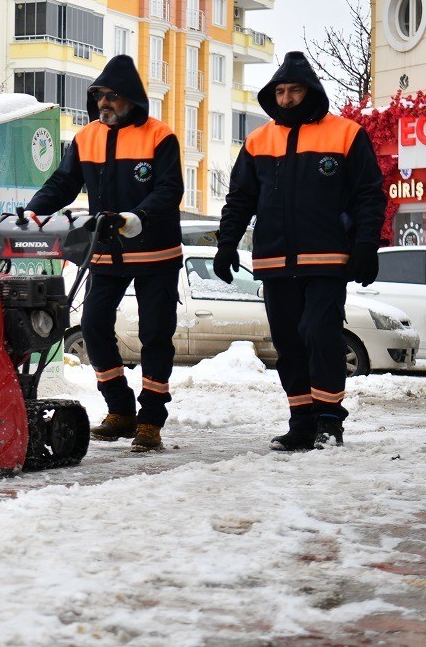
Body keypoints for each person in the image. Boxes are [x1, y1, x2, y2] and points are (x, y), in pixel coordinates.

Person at [215, 51, 386, 450]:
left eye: (294, 90)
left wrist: (366, 245)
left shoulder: (345, 133)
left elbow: (368, 195)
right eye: (280, 91)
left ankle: (329, 421)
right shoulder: (259, 140)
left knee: (319, 333)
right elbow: (240, 198)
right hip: (274, 261)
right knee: (288, 343)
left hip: (327, 259)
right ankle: (301, 422)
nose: (287, 97)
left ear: (310, 92)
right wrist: (226, 244)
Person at [27, 54, 184, 453]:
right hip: (106, 252)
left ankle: (150, 419)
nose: (103, 103)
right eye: (98, 96)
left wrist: (138, 216)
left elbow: (169, 189)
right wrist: (34, 208)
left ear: (130, 98)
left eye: (111, 97)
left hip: (154, 253)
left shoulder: (159, 136)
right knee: (93, 325)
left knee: (155, 335)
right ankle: (120, 409)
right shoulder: (86, 138)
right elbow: (64, 182)